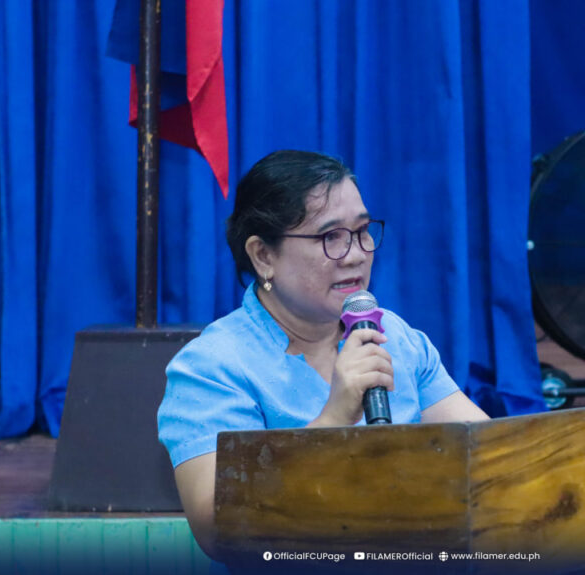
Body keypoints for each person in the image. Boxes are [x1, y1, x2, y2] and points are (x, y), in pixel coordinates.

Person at [157, 150, 489, 562]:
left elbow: (489, 457)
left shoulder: (395, 337)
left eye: (362, 231)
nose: (356, 254)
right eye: (330, 237)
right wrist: (333, 419)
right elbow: (218, 528)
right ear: (263, 256)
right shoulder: (211, 367)